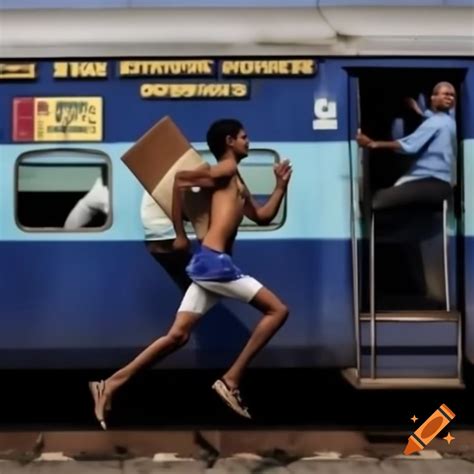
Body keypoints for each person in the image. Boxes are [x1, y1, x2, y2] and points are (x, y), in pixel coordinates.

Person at [89, 119, 292, 428]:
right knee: (277, 311)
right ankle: (231, 381)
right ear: (229, 142)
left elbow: (263, 217)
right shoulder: (224, 171)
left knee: (177, 336)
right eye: (244, 137)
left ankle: (110, 385)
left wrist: (280, 187)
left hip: (209, 265)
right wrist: (179, 232)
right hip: (215, 264)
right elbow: (180, 180)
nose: (248, 142)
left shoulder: (235, 179)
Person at [357, 82, 457, 210]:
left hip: (429, 179)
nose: (449, 97)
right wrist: (417, 110)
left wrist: (373, 143)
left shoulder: (436, 121)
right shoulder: (449, 121)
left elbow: (410, 146)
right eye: (445, 94)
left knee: (376, 199)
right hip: (443, 184)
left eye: (452, 95)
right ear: (433, 97)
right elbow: (429, 119)